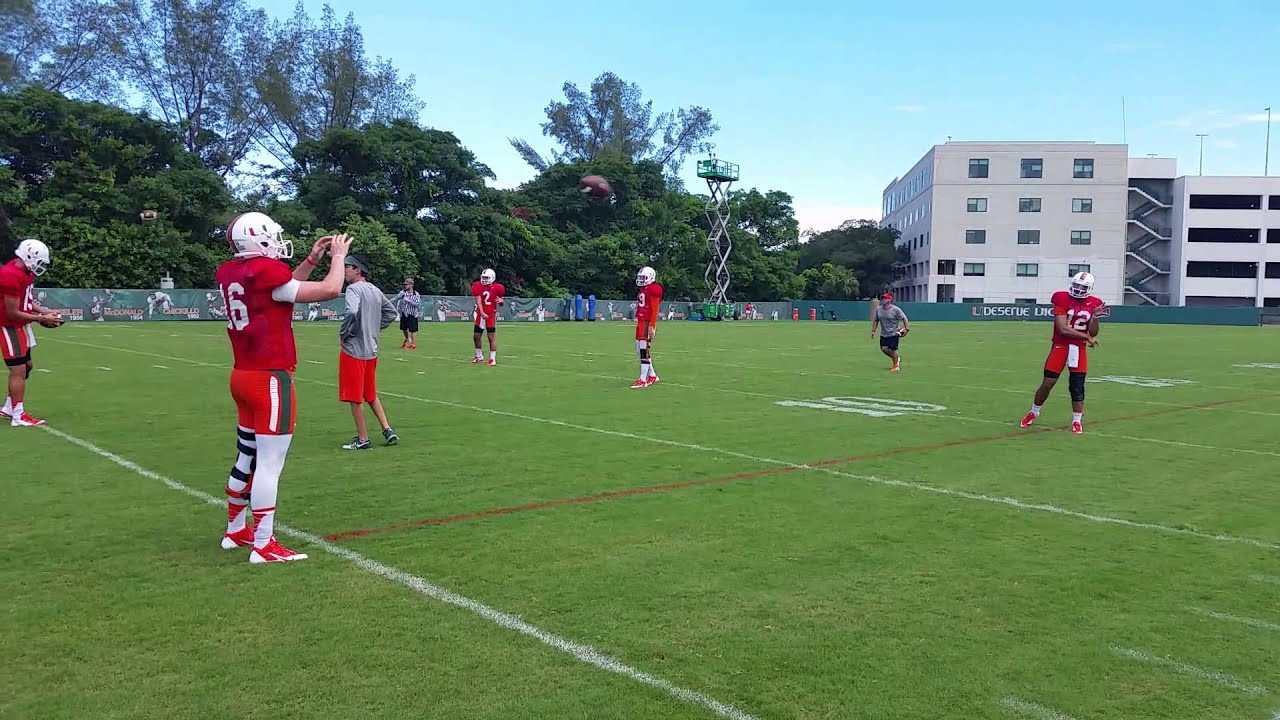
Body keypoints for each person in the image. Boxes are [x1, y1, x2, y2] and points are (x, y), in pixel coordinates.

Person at [214, 212, 352, 564]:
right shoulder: (262, 272)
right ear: (257, 238)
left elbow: (282, 289)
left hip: (242, 375)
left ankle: (235, 530)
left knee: (247, 455)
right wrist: (338, 259)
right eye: (271, 236)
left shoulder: (235, 272)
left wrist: (310, 261)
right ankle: (264, 543)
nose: (277, 241)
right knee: (270, 465)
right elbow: (330, 289)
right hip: (270, 377)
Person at [1020, 271, 1106, 435]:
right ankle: (1034, 411)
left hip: (1079, 349)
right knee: (1048, 383)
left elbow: (1093, 332)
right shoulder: (1061, 298)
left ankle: (1076, 421)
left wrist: (1094, 317)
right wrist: (1086, 337)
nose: (1079, 289)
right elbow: (1063, 328)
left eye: (1083, 287)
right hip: (1061, 346)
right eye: (1077, 285)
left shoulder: (1095, 303)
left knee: (1077, 386)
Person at [338, 256, 399, 450]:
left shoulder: (353, 289)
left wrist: (345, 332)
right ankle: (387, 429)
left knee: (355, 398)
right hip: (371, 351)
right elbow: (391, 313)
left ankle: (363, 439)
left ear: (357, 269)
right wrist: (373, 328)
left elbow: (352, 311)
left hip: (354, 351)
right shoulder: (374, 290)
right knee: (370, 393)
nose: (344, 271)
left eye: (346, 268)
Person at [1, 239, 63, 427]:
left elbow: (26, 301)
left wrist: (44, 310)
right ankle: (18, 415)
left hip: (19, 324)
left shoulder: (24, 271)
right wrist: (42, 319)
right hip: (8, 325)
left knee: (26, 366)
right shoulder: (10, 275)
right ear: (29, 257)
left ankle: (8, 408)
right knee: (18, 370)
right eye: (40, 262)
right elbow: (12, 312)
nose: (41, 266)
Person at [631, 265, 664, 388]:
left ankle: (642, 379)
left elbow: (655, 309)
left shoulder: (653, 289)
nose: (641, 280)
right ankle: (652, 375)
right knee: (639, 350)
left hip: (646, 322)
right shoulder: (644, 289)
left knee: (644, 351)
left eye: (644, 277)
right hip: (640, 322)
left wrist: (652, 325)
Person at [471, 268, 505, 365]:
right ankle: (479, 356)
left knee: (491, 336)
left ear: (492, 278)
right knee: (476, 336)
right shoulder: (477, 285)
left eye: (487, 277)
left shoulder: (498, 288)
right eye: (483, 277)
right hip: (480, 314)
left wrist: (502, 302)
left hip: (491, 314)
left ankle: (492, 358)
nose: (485, 279)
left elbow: (501, 300)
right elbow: (478, 301)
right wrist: (482, 313)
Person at [870, 292, 909, 371]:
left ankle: (896, 366)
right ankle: (896, 359)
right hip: (884, 333)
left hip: (894, 332)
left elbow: (904, 318)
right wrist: (873, 331)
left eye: (885, 298)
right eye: (883, 298)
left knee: (893, 349)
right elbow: (876, 320)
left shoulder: (896, 309)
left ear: (890, 299)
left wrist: (906, 329)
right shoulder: (878, 309)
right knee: (884, 349)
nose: (883, 299)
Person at [391, 277, 421, 349]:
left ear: (411, 285)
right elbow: (396, 298)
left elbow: (417, 305)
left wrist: (409, 301)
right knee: (403, 328)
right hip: (404, 313)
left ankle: (413, 344)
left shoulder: (416, 294)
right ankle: (407, 339)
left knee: (413, 329)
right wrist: (387, 302)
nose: (405, 286)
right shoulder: (403, 292)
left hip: (412, 313)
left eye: (407, 284)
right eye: (405, 284)